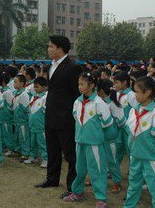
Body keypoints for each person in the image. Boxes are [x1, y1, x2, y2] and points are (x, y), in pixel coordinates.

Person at [35, 35, 81, 201]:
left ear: (60, 48)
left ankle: (72, 187)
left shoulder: (72, 67)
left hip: (66, 117)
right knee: (52, 150)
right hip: (51, 114)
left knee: (70, 154)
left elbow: (77, 94)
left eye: (50, 46)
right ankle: (52, 179)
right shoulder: (50, 66)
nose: (48, 49)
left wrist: (74, 116)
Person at [62, 73, 113, 208]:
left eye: (82, 84)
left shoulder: (99, 103)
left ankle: (101, 199)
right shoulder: (77, 102)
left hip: (94, 144)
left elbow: (107, 123)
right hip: (80, 141)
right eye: (79, 84)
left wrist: (94, 133)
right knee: (80, 169)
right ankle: (77, 192)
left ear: (91, 86)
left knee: (97, 171)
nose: (79, 87)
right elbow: (76, 117)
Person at [123, 76, 155, 208]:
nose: (134, 94)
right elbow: (129, 128)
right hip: (136, 155)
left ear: (148, 92)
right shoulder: (133, 110)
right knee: (133, 185)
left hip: (151, 158)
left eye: (137, 91)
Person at [97, 78, 124, 194]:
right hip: (100, 136)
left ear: (102, 90)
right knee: (100, 160)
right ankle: (100, 180)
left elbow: (121, 120)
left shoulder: (113, 104)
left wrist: (113, 127)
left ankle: (117, 182)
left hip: (110, 137)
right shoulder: (100, 102)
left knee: (112, 161)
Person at [24, 76, 48, 168]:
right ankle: (33, 156)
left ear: (44, 87)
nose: (35, 88)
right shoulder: (34, 96)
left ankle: (46, 159)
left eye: (37, 87)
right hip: (33, 125)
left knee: (43, 143)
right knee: (33, 142)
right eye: (34, 86)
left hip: (41, 126)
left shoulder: (45, 98)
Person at [11, 74, 31, 161]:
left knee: (24, 137)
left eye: (16, 82)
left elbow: (27, 109)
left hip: (23, 120)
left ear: (22, 83)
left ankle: (26, 153)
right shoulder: (16, 93)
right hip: (17, 119)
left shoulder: (24, 94)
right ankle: (18, 150)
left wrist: (26, 119)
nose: (14, 84)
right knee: (17, 136)